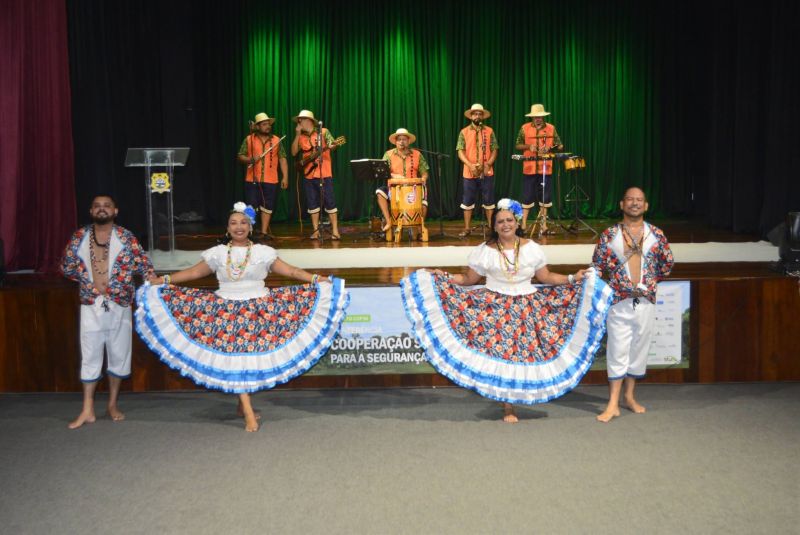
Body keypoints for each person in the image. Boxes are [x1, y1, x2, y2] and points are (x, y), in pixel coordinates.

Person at [135, 202, 349, 432]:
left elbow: (292, 271)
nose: (239, 227)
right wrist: (165, 280)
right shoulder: (217, 253)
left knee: (244, 358)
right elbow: (194, 273)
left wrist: (317, 279)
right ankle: (248, 412)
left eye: (243, 223)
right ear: (227, 228)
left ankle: (241, 405)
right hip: (225, 310)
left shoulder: (262, 252)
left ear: (250, 227)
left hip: (259, 309)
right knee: (236, 358)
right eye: (234, 223)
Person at [401, 199, 613, 422]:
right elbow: (467, 279)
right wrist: (442, 276)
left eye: (509, 220)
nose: (505, 225)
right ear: (494, 226)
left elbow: (546, 277)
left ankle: (521, 396)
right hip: (494, 308)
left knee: (523, 356)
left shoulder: (532, 249)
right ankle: (508, 407)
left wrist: (572, 278)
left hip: (526, 307)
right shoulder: (484, 251)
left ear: (517, 221)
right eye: (500, 221)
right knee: (502, 355)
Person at [60, 195, 154, 429]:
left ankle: (112, 404)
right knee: (90, 354)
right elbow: (66, 266)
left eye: (107, 206)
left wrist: (156, 286)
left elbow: (145, 266)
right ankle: (87, 409)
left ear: (116, 210)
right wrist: (87, 281)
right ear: (91, 211)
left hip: (119, 303)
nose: (102, 209)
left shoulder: (126, 237)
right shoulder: (79, 237)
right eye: (97, 206)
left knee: (119, 354)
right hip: (91, 303)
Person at [592, 187, 674, 423]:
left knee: (639, 349)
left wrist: (647, 280)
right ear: (622, 204)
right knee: (617, 350)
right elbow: (598, 265)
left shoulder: (656, 234)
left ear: (646, 206)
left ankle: (629, 396)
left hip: (646, 301)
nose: (635, 203)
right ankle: (612, 403)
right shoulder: (609, 235)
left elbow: (667, 264)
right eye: (630, 199)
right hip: (619, 302)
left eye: (639, 200)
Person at [236, 112, 289, 238]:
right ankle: (250, 232)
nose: (268, 126)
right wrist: (249, 160)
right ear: (258, 126)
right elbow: (240, 156)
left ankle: (264, 232)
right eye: (264, 124)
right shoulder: (249, 139)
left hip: (271, 179)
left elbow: (282, 159)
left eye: (268, 124)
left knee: (267, 206)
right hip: (252, 178)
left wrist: (285, 177)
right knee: (251, 206)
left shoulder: (276, 140)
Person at [291, 109, 341, 240]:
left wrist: (332, 145)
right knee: (312, 203)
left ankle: (335, 231)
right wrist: (296, 135)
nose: (299, 122)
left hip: (324, 172)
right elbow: (294, 152)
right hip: (308, 174)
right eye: (298, 120)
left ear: (308, 121)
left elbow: (334, 144)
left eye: (300, 120)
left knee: (330, 202)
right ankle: (315, 230)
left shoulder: (323, 132)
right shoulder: (300, 136)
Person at [514, 104, 564, 232]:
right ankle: (524, 224)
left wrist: (550, 148)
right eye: (535, 117)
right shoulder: (524, 128)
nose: (538, 119)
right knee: (526, 197)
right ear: (532, 117)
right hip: (529, 168)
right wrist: (528, 147)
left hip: (545, 168)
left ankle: (543, 225)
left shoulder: (551, 128)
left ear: (543, 117)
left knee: (545, 197)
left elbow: (560, 146)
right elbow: (518, 145)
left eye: (540, 116)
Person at [456, 103, 498, 237]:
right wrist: (470, 165)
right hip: (469, 171)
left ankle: (492, 228)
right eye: (475, 113)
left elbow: (494, 149)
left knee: (489, 200)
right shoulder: (464, 132)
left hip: (487, 170)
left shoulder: (489, 131)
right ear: (471, 116)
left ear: (483, 116)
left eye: (480, 114)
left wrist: (489, 164)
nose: (477, 116)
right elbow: (460, 151)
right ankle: (467, 228)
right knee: (468, 200)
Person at [376, 128, 430, 232]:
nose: (401, 141)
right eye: (399, 139)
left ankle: (419, 229)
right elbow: (383, 172)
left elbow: (424, 172)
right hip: (394, 188)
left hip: (413, 188)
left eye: (404, 139)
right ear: (395, 142)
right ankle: (388, 222)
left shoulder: (417, 154)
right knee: (379, 193)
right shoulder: (388, 154)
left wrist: (423, 179)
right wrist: (393, 175)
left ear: (408, 141)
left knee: (423, 203)